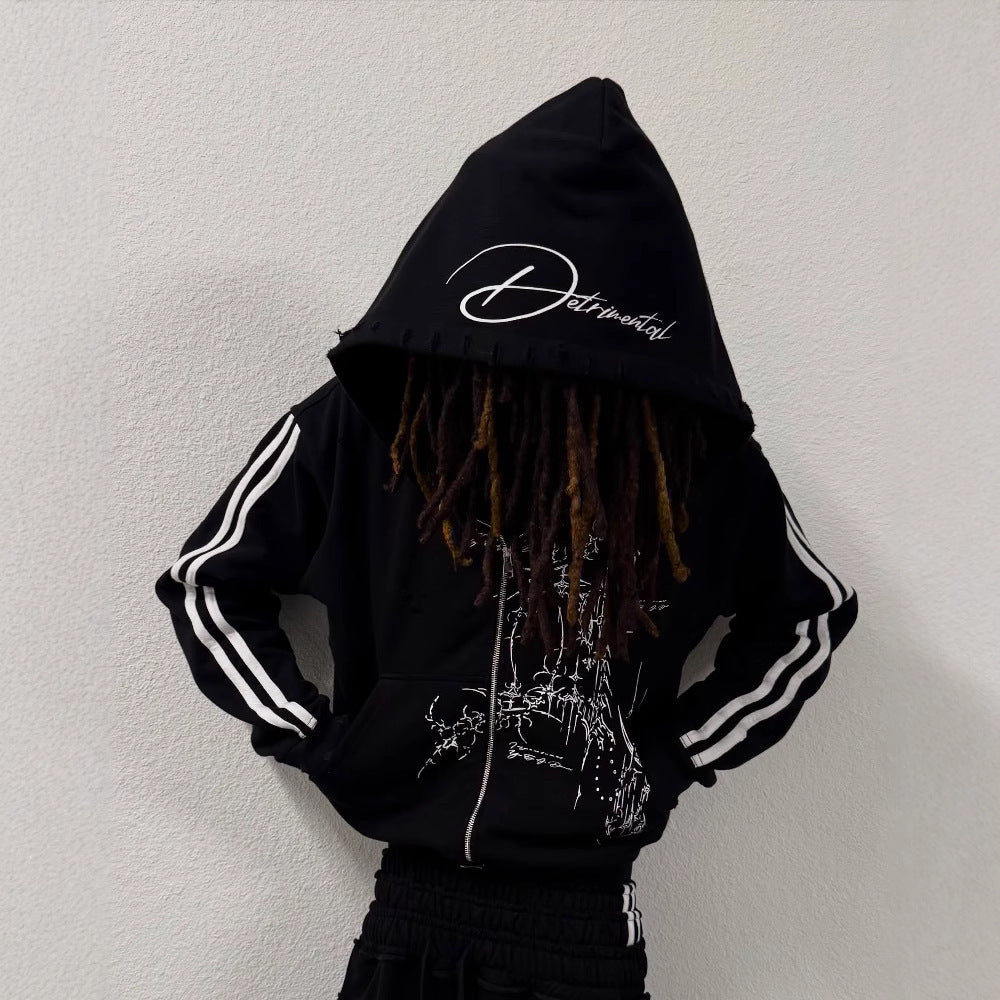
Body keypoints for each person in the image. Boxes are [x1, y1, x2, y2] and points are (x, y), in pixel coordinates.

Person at [154, 77, 859, 1000]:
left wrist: (678, 756)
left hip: (582, 930)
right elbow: (207, 581)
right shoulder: (373, 427)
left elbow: (809, 617)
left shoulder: (692, 462)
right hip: (412, 912)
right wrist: (318, 738)